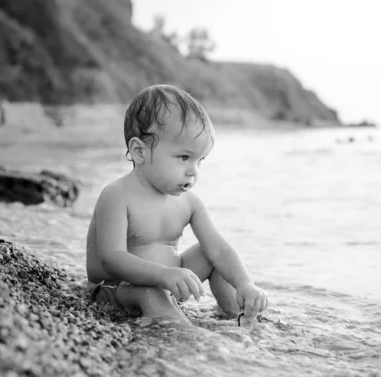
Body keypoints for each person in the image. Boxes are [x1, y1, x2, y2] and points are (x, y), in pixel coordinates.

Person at [85, 84, 268, 325]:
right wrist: (162, 275)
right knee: (150, 291)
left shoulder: (190, 203)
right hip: (115, 289)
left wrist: (245, 283)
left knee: (210, 255)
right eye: (184, 157)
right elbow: (112, 258)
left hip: (167, 285)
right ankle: (186, 337)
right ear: (139, 151)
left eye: (200, 160)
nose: (193, 171)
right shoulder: (117, 195)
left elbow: (219, 249)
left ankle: (238, 317)